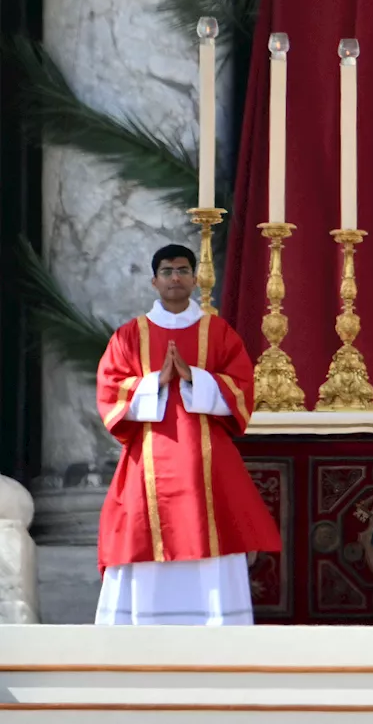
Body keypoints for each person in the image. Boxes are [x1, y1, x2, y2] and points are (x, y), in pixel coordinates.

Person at [95, 244, 280, 625]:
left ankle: (216, 628)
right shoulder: (130, 336)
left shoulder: (219, 332)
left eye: (182, 270)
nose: (175, 278)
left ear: (195, 278)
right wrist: (154, 383)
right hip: (147, 458)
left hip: (207, 463)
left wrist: (194, 377)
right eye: (167, 271)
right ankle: (142, 631)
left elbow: (243, 386)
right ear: (154, 280)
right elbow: (109, 391)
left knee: (212, 528)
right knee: (139, 531)